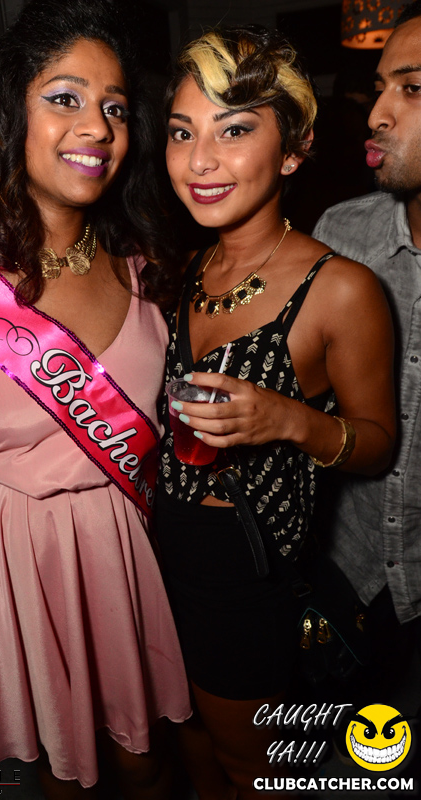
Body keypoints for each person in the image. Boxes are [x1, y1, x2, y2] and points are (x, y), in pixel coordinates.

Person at [0, 1, 191, 798]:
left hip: (128, 560)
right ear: (7, 114)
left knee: (147, 766)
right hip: (14, 573)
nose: (96, 126)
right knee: (67, 777)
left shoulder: (146, 269)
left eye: (115, 108)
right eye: (64, 98)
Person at [155, 26, 396, 800]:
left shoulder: (339, 288)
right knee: (190, 746)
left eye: (233, 131)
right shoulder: (187, 264)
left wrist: (288, 420)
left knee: (251, 768)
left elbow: (378, 445)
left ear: (292, 151)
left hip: (244, 572)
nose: (199, 160)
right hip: (157, 553)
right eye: (182, 132)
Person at [313, 0, 421, 704]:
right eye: (381, 87)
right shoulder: (340, 235)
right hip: (349, 577)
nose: (378, 113)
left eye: (412, 88)